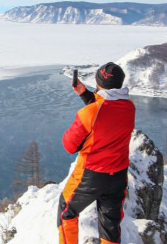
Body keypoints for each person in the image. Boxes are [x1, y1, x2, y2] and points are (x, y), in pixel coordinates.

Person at [57, 62, 135, 244]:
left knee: (66, 212)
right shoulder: (129, 107)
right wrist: (84, 94)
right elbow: (107, 108)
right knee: (110, 225)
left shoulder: (88, 114)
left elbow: (69, 146)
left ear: (98, 81)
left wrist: (87, 102)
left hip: (91, 175)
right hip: (118, 175)